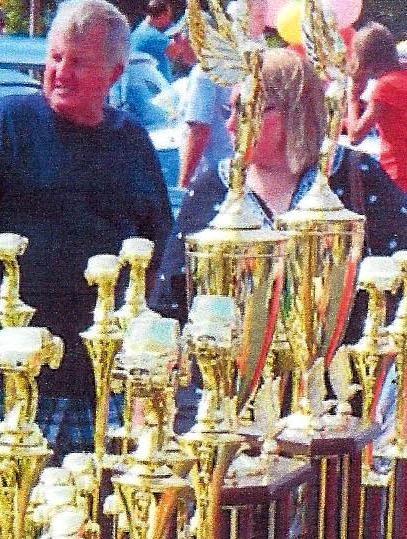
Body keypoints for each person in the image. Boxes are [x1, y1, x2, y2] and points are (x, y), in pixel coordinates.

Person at [0, 0, 172, 459]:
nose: (60, 72)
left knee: (91, 515)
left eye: (78, 63)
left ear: (114, 75)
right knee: (4, 511)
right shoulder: (8, 122)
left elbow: (155, 250)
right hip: (14, 368)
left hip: (100, 380)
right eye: (56, 57)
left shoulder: (132, 142)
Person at [151, 48, 407, 340]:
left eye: (253, 109)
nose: (232, 124)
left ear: (296, 110)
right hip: (227, 380)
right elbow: (170, 300)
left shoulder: (356, 176)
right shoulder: (214, 186)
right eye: (231, 110)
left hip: (340, 380)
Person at [166, 17, 234, 188]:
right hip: (230, 170)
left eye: (177, 38)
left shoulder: (203, 73)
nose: (177, 46)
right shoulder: (229, 65)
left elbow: (199, 130)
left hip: (210, 178)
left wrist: (183, 184)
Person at [348, 22, 407, 193]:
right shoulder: (401, 76)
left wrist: (352, 98)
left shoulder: (385, 87)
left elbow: (355, 136)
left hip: (398, 175)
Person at [130, 0, 173, 81]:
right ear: (162, 16)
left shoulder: (137, 32)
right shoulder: (154, 36)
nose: (169, 21)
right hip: (157, 88)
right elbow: (175, 52)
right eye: (168, 16)